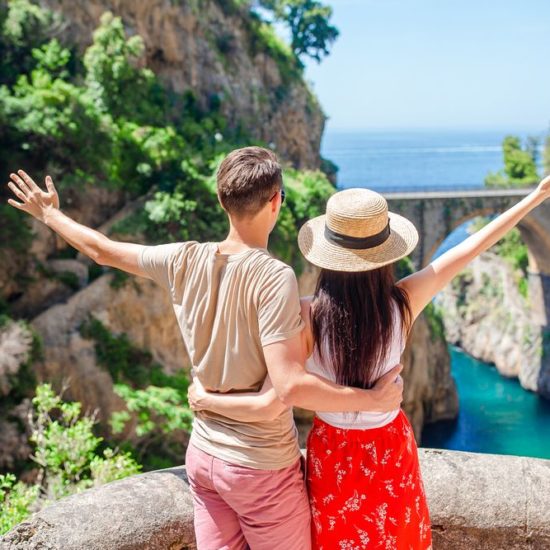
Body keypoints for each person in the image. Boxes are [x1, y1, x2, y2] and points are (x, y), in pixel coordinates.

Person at [6, 146, 404, 550]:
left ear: (220, 199)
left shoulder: (183, 259)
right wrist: (373, 400)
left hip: (203, 457)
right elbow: (286, 391)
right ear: (276, 202)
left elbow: (102, 250)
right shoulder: (274, 278)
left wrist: (50, 215)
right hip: (260, 467)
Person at [189, 176, 550, 549]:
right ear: (386, 254)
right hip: (390, 444)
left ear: (328, 255)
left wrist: (207, 398)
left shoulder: (307, 316)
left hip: (333, 450)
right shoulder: (402, 305)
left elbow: (281, 388)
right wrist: (534, 198)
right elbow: (469, 250)